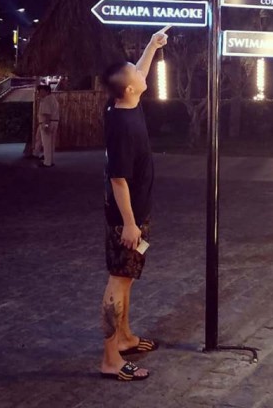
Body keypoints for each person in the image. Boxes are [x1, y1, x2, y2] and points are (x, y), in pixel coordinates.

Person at [99, 28, 168, 382]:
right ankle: (111, 358)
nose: (142, 74)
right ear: (129, 89)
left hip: (135, 214)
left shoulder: (122, 104)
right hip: (125, 219)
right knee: (118, 282)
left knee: (126, 280)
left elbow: (138, 71)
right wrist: (129, 223)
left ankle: (125, 338)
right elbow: (118, 179)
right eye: (135, 73)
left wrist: (152, 46)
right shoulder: (123, 126)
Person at [34, 84, 60, 167]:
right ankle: (50, 161)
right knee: (51, 143)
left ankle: (47, 162)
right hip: (54, 122)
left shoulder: (46, 100)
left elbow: (47, 114)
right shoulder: (53, 99)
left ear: (47, 91)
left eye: (41, 91)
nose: (39, 93)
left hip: (47, 122)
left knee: (47, 143)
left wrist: (46, 125)